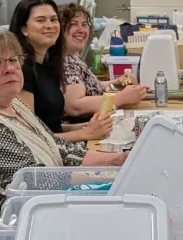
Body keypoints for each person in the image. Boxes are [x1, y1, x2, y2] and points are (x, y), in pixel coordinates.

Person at [0, 27, 127, 230]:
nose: (9, 69)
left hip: (46, 211)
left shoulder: (10, 102)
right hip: (23, 234)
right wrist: (111, 176)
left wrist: (117, 160)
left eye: (12, 60)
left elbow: (57, 147)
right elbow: (33, 187)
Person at [10, 0, 110, 142]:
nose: (49, 26)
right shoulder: (22, 70)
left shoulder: (49, 65)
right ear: (24, 29)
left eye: (53, 19)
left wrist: (87, 127)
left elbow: (50, 126)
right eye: (40, 20)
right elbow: (31, 137)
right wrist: (85, 134)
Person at [59, 4, 146, 118]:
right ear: (60, 29)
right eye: (74, 24)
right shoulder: (66, 62)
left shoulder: (74, 56)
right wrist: (122, 97)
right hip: (85, 129)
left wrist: (117, 82)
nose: (81, 30)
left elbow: (89, 87)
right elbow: (75, 106)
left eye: (84, 24)